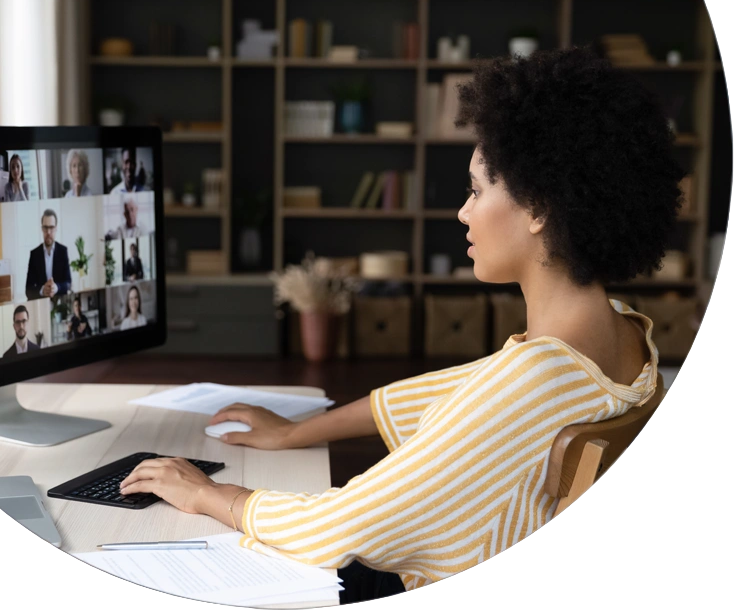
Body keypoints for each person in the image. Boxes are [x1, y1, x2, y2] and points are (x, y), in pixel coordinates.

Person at [120, 47, 683, 603]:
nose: (463, 212)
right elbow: (453, 393)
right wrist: (296, 432)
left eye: (477, 190)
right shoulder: (623, 334)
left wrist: (210, 493)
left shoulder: (533, 379)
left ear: (538, 209)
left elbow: (336, 528)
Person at [25, 209, 72, 301]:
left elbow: (68, 283)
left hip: (59, 302)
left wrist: (56, 287)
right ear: (42, 229)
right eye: (45, 228)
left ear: (56, 228)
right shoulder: (34, 254)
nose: (48, 232)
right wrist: (42, 290)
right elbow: (28, 290)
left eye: (51, 227)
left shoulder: (63, 251)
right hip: (40, 302)